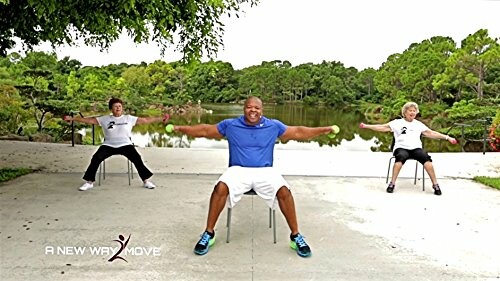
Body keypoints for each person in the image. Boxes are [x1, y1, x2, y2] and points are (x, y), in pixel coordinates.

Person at [170, 96, 337, 258]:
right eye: (249, 107)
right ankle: (209, 233)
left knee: (284, 191)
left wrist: (324, 130)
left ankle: (296, 236)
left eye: (256, 108)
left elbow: (299, 132)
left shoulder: (273, 126)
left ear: (262, 110)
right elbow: (205, 130)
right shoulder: (230, 125)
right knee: (220, 187)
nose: (253, 111)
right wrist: (180, 129)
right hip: (237, 170)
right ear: (244, 109)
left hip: (265, 171)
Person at [63, 97, 169, 191]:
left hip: (126, 144)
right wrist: (72, 119)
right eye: (115, 106)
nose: (118, 108)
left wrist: (161, 118)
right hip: (108, 145)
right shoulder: (104, 119)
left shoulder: (129, 118)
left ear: (122, 108)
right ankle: (89, 182)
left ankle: (146, 181)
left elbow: (146, 120)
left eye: (119, 106)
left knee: (137, 158)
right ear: (111, 109)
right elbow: (88, 120)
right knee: (96, 158)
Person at [359, 101, 457, 195]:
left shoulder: (418, 124)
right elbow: (383, 127)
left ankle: (435, 185)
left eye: (414, 111)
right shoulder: (397, 123)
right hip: (401, 148)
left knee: (427, 160)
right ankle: (392, 183)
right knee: (400, 158)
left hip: (416, 149)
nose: (412, 112)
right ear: (405, 112)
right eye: (410, 110)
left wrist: (447, 138)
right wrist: (367, 126)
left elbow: (430, 133)